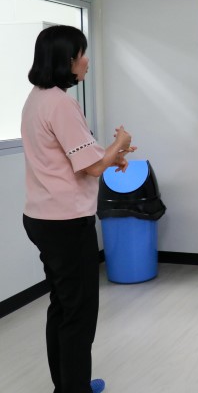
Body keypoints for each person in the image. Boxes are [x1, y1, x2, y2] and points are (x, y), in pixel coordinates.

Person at [21, 25, 135, 393]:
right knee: (79, 313)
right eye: (82, 54)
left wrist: (113, 154)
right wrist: (120, 142)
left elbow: (77, 155)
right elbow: (93, 167)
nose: (87, 61)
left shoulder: (37, 98)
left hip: (42, 217)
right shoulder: (61, 103)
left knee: (63, 305)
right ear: (68, 60)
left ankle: (69, 385)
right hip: (65, 221)